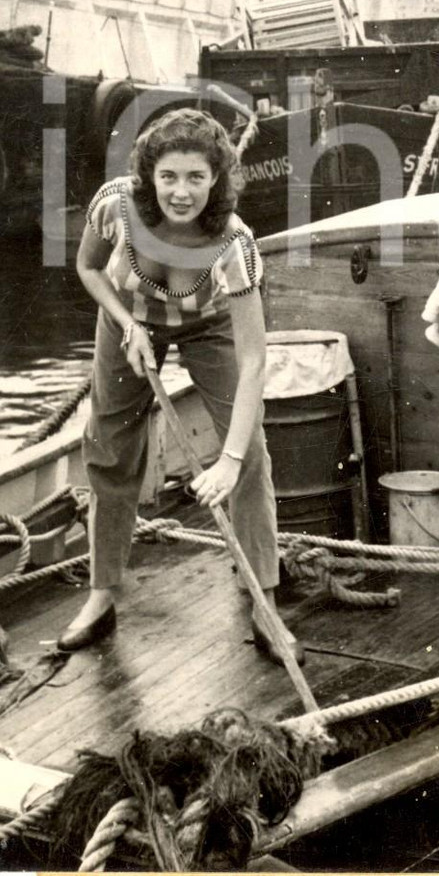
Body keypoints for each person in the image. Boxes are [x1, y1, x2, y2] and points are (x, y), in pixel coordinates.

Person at [58, 108, 300, 666]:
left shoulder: (233, 245)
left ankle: (264, 603)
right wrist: (127, 323)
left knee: (253, 453)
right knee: (111, 448)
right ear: (149, 177)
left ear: (217, 178)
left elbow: (255, 358)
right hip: (129, 317)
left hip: (208, 323)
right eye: (168, 177)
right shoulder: (114, 206)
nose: (181, 192)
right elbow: (89, 269)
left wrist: (230, 459)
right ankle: (101, 596)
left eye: (196, 177)